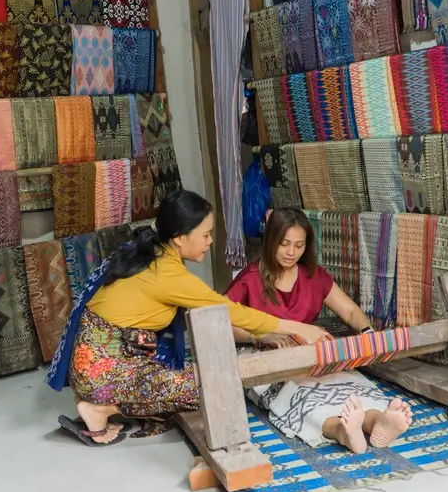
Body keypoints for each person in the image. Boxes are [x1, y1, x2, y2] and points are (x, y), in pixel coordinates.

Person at [46, 191, 331, 446]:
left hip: (95, 364)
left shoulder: (150, 252)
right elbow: (229, 310)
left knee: (198, 372)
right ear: (180, 237)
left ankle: (101, 399)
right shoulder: (169, 275)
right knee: (211, 387)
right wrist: (299, 327)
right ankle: (101, 407)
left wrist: (264, 334)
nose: (210, 241)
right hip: (104, 372)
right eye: (205, 234)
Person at [225, 208, 413, 454]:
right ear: (270, 240)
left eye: (299, 245)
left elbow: (349, 312)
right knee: (302, 396)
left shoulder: (313, 276)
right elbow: (222, 323)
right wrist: (260, 334)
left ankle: (377, 422)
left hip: (314, 356)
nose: (291, 252)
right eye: (284, 244)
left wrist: (368, 333)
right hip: (265, 356)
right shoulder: (250, 278)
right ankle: (343, 431)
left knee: (349, 385)